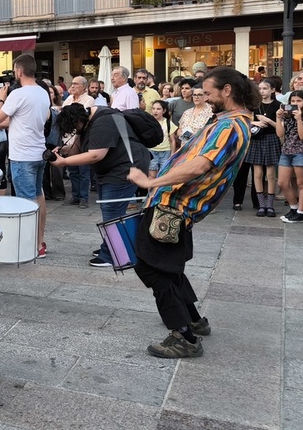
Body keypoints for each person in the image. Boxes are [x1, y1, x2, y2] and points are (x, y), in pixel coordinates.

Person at [127, 67, 255, 358]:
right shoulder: (231, 122)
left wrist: (152, 181)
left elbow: (200, 165)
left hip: (176, 205)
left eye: (209, 93)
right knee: (168, 266)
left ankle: (184, 336)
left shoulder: (230, 126)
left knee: (150, 267)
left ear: (227, 91)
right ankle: (194, 321)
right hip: (177, 205)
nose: (206, 99)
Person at [52, 103, 151, 267]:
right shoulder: (91, 120)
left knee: (112, 211)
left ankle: (114, 255)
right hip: (113, 169)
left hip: (125, 170)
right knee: (111, 210)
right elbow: (81, 148)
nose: (75, 131)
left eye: (74, 127)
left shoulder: (103, 121)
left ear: (78, 120)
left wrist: (64, 162)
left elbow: (95, 155)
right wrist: (62, 151)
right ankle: (111, 246)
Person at [0, 54, 50, 258]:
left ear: (18, 71)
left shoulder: (18, 94)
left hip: (22, 154)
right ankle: (39, 241)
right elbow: (43, 117)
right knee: (38, 195)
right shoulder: (43, 93)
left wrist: (1, 98)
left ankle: (29, 246)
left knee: (26, 202)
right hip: (38, 152)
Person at [244, 78, 283, 217]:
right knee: (257, 173)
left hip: (272, 138)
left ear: (273, 90)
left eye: (265, 88)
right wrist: (255, 122)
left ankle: (270, 205)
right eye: (260, 89)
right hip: (257, 139)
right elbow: (244, 120)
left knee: (271, 174)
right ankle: (261, 204)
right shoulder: (254, 105)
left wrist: (268, 121)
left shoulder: (279, 105)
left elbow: (281, 129)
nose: (262, 91)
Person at [275, 90, 303, 223]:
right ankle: (293, 208)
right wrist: (279, 118)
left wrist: (299, 119)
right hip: (286, 151)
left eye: (299, 101)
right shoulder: (287, 115)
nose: (295, 104)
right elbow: (280, 134)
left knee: (301, 183)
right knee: (282, 182)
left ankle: (301, 212)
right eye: (293, 101)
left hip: (302, 151)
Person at [61, 77, 95, 207]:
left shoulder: (89, 100)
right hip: (68, 139)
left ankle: (84, 198)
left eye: (76, 84)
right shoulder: (68, 99)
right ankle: (75, 196)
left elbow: (79, 117)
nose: (72, 86)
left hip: (81, 139)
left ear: (84, 87)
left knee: (83, 170)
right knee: (73, 170)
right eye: (72, 83)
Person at [148, 100, 177, 179]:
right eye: (153, 108)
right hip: (152, 152)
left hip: (165, 152)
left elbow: (172, 140)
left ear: (164, 111)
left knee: (164, 175)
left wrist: (172, 154)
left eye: (158, 109)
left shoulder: (168, 123)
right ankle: (151, 191)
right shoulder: (148, 122)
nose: (155, 111)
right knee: (151, 176)